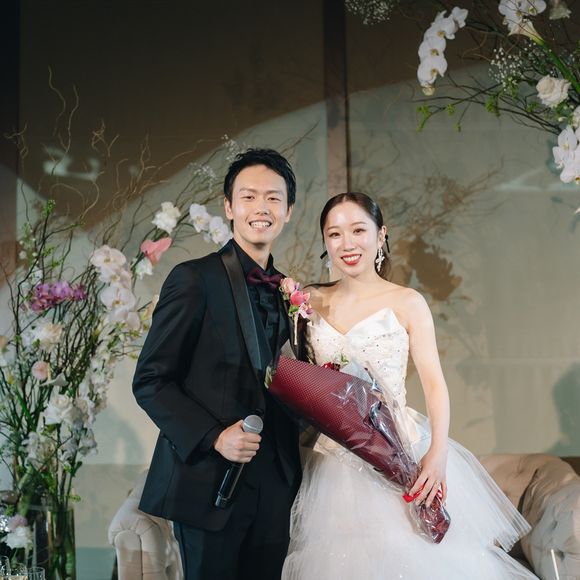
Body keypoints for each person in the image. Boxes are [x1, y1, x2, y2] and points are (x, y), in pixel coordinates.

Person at [282, 192, 537, 579]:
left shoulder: (408, 302)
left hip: (399, 448)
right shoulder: (309, 301)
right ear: (325, 241)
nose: (347, 243)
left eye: (358, 230)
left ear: (381, 235)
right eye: (335, 234)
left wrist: (437, 453)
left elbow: (435, 385)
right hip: (333, 460)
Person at [132, 148, 302, 580]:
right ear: (228, 207)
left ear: (288, 211)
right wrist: (215, 437)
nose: (261, 208)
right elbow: (151, 380)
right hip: (210, 484)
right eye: (248, 197)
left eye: (273, 198)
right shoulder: (194, 279)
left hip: (276, 485)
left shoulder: (290, 292)